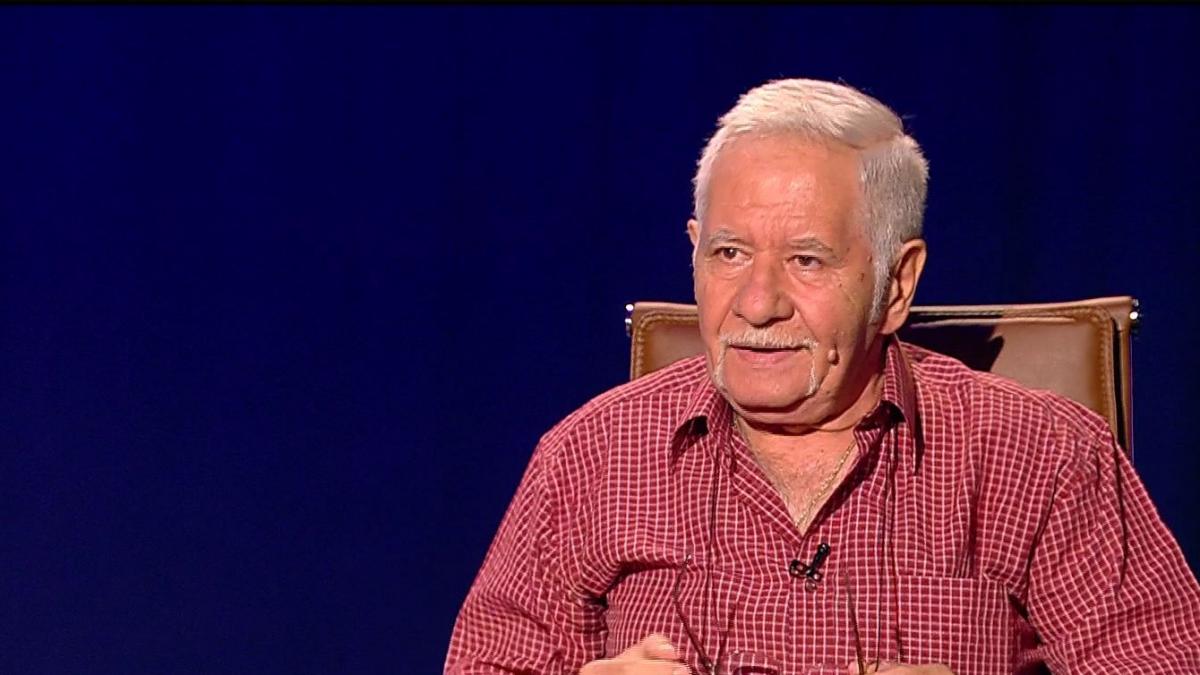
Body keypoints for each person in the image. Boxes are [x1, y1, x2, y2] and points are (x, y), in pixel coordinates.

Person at [444, 78, 1200, 674]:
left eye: (807, 260)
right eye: (729, 253)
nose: (757, 303)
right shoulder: (590, 456)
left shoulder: (1042, 457)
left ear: (897, 284)